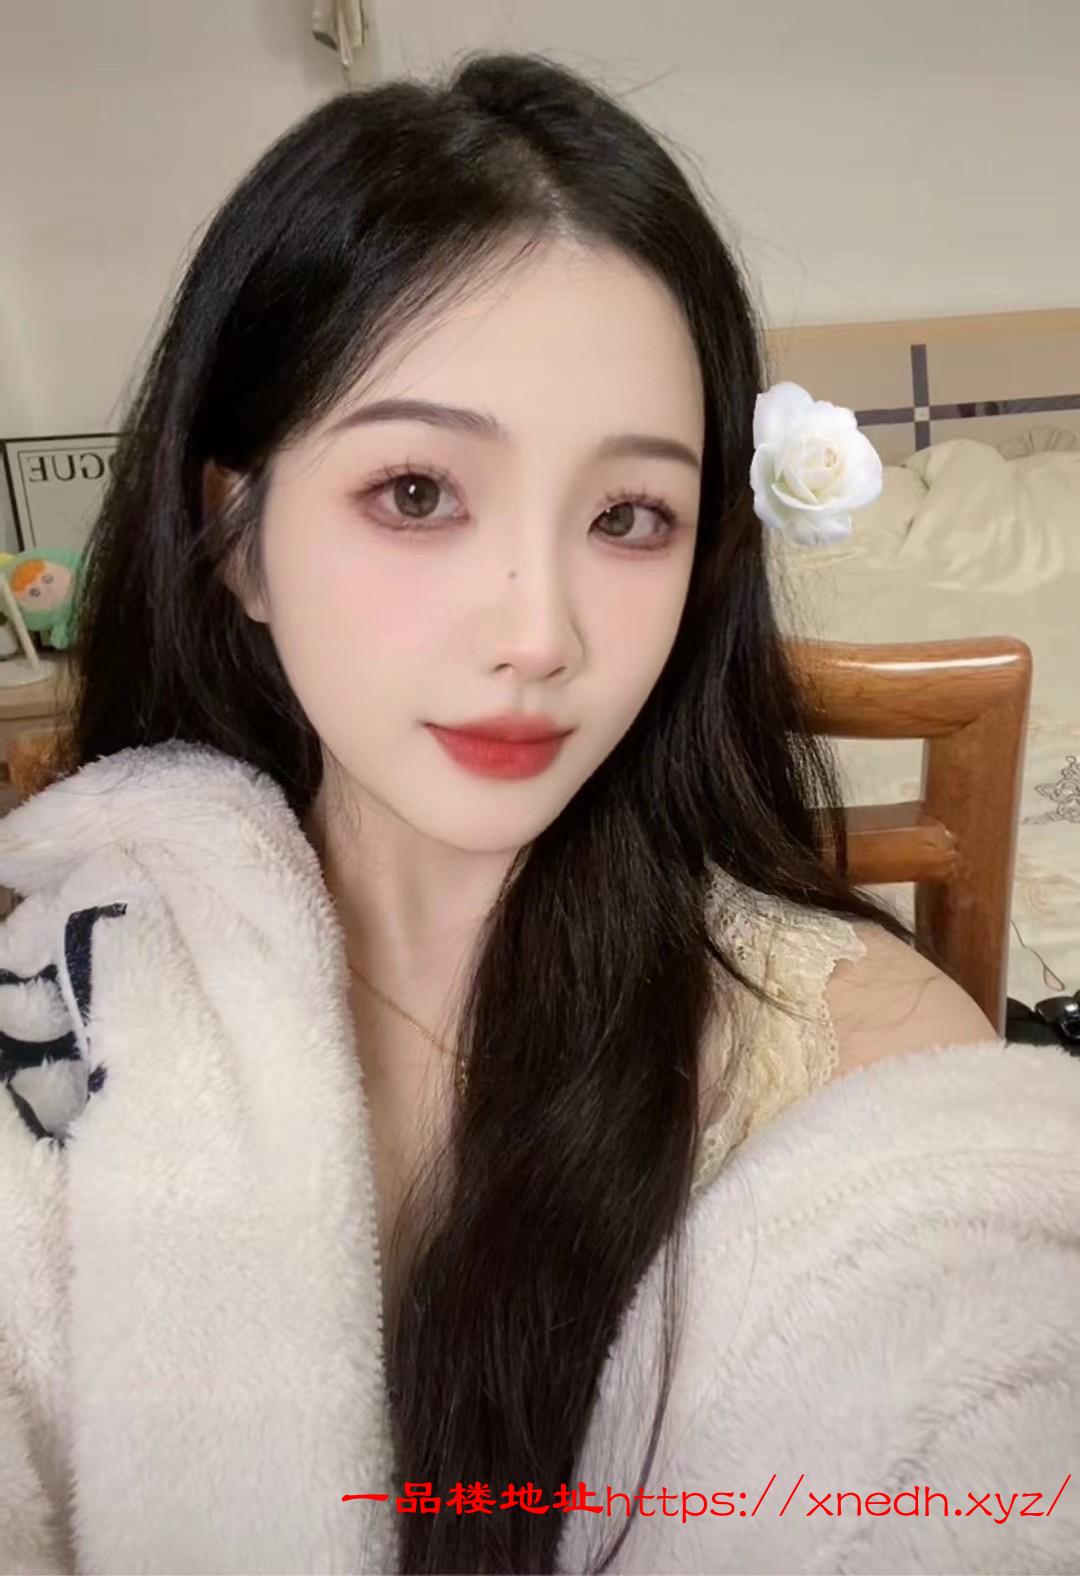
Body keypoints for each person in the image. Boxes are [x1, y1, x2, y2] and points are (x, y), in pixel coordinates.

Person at [0, 50, 1077, 1576]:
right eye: (418, 494)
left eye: (629, 516)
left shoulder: (861, 1071)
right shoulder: (70, 992)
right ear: (233, 534)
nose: (539, 633)